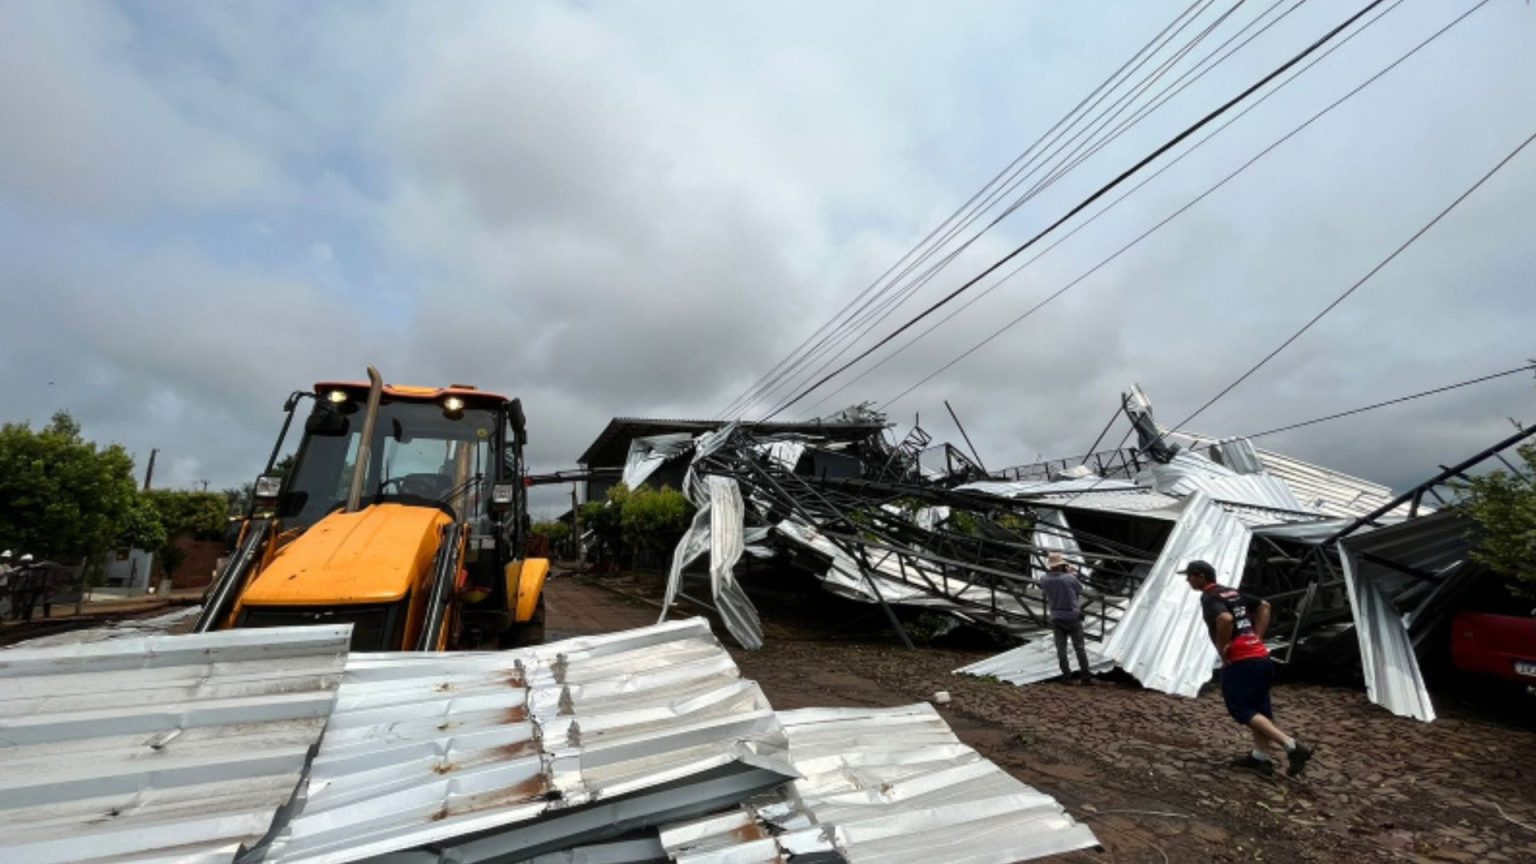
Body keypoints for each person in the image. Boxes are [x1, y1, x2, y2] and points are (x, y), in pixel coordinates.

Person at [1181, 559, 1313, 777]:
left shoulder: (1210, 597)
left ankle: (1292, 746)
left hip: (1242, 661)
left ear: (1202, 577)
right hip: (1260, 657)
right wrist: (1258, 636)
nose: (1188, 580)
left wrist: (1223, 649)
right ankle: (1260, 757)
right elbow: (1264, 606)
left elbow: (1224, 619)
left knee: (1240, 708)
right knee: (1260, 709)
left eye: (1190, 576)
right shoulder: (1232, 592)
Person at [1039, 550, 1094, 683]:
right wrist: (1070, 573)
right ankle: (1085, 677)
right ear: (1061, 565)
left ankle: (1066, 676)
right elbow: (1079, 589)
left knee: (1061, 648)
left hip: (1056, 616)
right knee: (1079, 647)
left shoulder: (1044, 579)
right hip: (1072, 616)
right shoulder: (1069, 578)